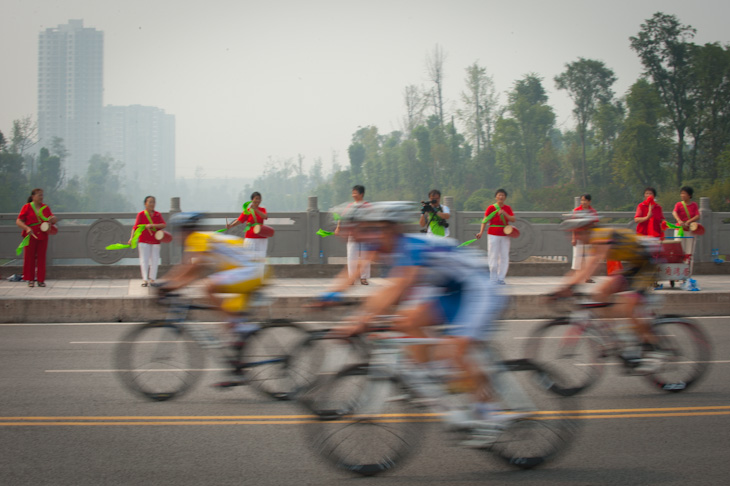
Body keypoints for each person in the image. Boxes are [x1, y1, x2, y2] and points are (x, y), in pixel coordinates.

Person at [318, 201, 512, 447]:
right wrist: (333, 296)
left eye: (379, 229)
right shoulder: (380, 246)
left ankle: (490, 411)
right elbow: (360, 275)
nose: (373, 234)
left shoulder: (411, 247)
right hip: (449, 289)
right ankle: (433, 377)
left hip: (478, 287)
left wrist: (359, 322)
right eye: (372, 229)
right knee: (407, 322)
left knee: (455, 349)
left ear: (393, 230)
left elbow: (397, 287)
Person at [553, 211, 667, 374]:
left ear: (587, 229)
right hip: (635, 264)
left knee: (629, 306)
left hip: (649, 260)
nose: (575, 237)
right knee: (599, 294)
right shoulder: (593, 241)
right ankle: (618, 338)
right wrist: (560, 288)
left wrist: (569, 288)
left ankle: (654, 348)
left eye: (577, 232)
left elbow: (591, 267)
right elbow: (581, 269)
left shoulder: (600, 236)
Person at [158, 212, 266, 343]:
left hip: (251, 270)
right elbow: (189, 271)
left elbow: (190, 268)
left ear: (186, 231)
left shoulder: (196, 238)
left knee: (208, 287)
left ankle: (238, 325)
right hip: (253, 269)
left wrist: (166, 286)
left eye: (178, 232)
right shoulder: (200, 239)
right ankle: (238, 349)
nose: (177, 236)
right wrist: (169, 285)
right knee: (229, 314)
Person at [16, 188, 58, 288]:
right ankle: (30, 279)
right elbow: (19, 221)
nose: (41, 197)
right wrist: (26, 228)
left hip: (43, 235)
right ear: (33, 196)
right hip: (31, 235)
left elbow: (53, 219)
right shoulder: (27, 207)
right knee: (29, 257)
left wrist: (53, 219)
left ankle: (40, 280)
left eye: (42, 195)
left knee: (41, 258)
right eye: (39, 195)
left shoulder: (45, 208)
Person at [475, 189, 515, 285]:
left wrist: (504, 213)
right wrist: (481, 232)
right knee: (493, 256)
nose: (501, 197)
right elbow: (485, 220)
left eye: (503, 195)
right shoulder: (491, 208)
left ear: (505, 197)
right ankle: (493, 278)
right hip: (493, 234)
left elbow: (513, 219)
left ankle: (501, 278)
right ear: (496, 197)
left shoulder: (508, 208)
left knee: (504, 256)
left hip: (505, 234)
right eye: (499, 195)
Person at [334, 185, 371, 285]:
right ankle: (351, 278)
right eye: (353, 193)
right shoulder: (350, 206)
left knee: (364, 257)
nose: (353, 195)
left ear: (361, 194)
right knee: (351, 256)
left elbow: (372, 219)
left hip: (364, 235)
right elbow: (341, 218)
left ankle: (364, 278)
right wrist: (338, 228)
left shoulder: (367, 206)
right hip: (352, 235)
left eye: (355, 193)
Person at [131, 196, 167, 287]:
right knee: (144, 260)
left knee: (155, 260)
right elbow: (135, 227)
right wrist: (132, 238)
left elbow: (163, 225)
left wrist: (152, 225)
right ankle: (145, 279)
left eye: (153, 202)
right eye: (150, 202)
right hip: (144, 240)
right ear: (145, 204)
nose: (152, 204)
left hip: (155, 241)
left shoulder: (158, 215)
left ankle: (152, 279)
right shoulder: (141, 214)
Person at [227, 191, 269, 265]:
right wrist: (231, 225)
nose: (257, 200)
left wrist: (256, 209)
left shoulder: (262, 210)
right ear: (252, 200)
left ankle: (260, 275)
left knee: (260, 259)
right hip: (250, 237)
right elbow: (240, 220)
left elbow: (265, 217)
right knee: (249, 258)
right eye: (256, 198)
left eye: (259, 199)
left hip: (261, 237)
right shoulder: (247, 211)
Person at [571, 194, 599, 282]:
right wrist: (573, 238)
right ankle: (577, 276)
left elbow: (595, 224)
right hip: (579, 236)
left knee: (588, 257)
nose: (583, 202)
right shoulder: (576, 211)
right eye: (582, 200)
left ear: (589, 201)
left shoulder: (592, 211)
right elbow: (573, 225)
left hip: (588, 238)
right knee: (577, 257)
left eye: (585, 200)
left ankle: (587, 277)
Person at [671, 186, 700, 258]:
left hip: (689, 229)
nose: (682, 195)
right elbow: (674, 212)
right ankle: (679, 265)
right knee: (678, 248)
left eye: (684, 193)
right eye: (681, 193)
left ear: (689, 195)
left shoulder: (694, 205)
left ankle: (687, 265)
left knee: (689, 249)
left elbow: (697, 216)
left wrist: (689, 221)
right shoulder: (678, 204)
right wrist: (679, 220)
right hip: (680, 229)